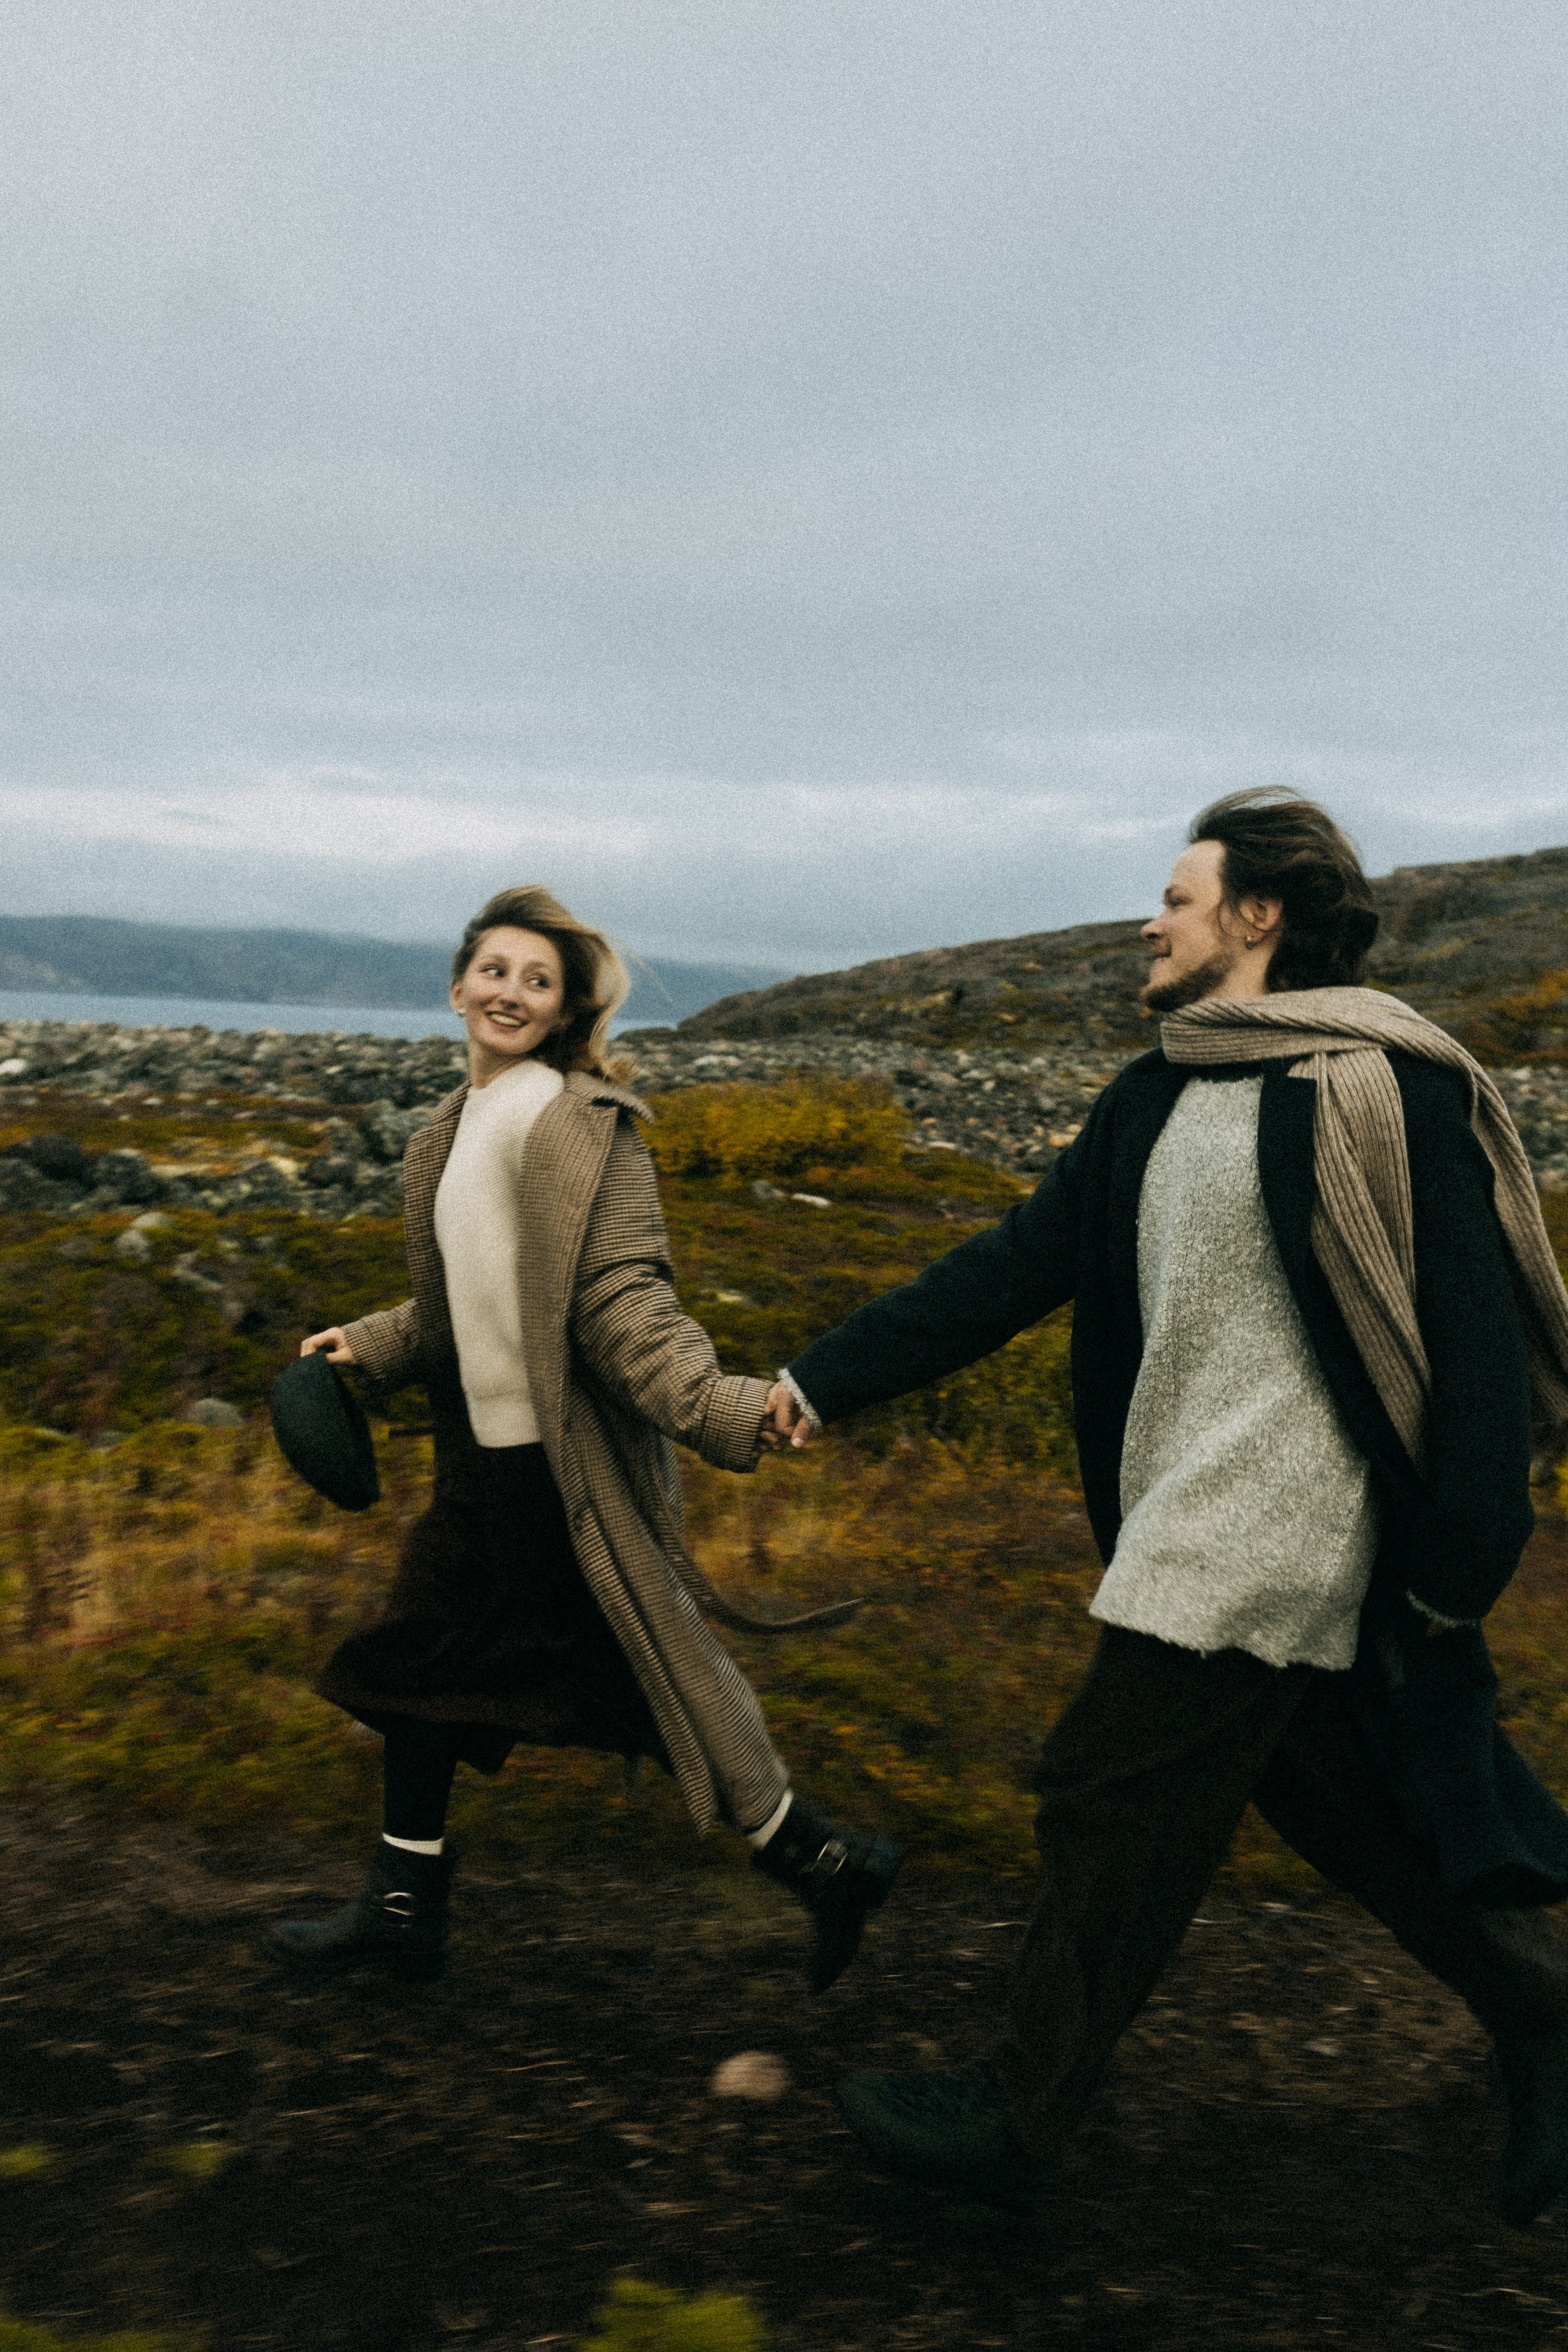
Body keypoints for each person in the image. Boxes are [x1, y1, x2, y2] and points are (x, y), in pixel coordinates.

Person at [760, 788, 1568, 2226]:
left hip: (1279, 1533)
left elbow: (1475, 1349)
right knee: (1353, 1813)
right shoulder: (1152, 1096)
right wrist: (815, 1383)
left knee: (1105, 1791)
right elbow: (1002, 1272)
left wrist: (1461, 1563)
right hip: (1186, 1514)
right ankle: (1550, 2024)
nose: (1150, 919)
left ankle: (1016, 2109)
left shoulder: (1383, 1090)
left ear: (1256, 917)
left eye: (1177, 896)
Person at [268, 884, 900, 1991]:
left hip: (554, 1480)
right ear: (458, 986)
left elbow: (619, 1305)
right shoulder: (451, 1134)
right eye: (497, 971)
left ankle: (824, 1860)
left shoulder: (576, 1128)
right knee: (437, 1663)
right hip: (480, 1467)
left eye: (539, 981)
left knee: (633, 1677)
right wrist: (367, 1347)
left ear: (564, 1012)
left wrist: (724, 1406)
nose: (512, 992)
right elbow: (469, 1302)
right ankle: (406, 1907)